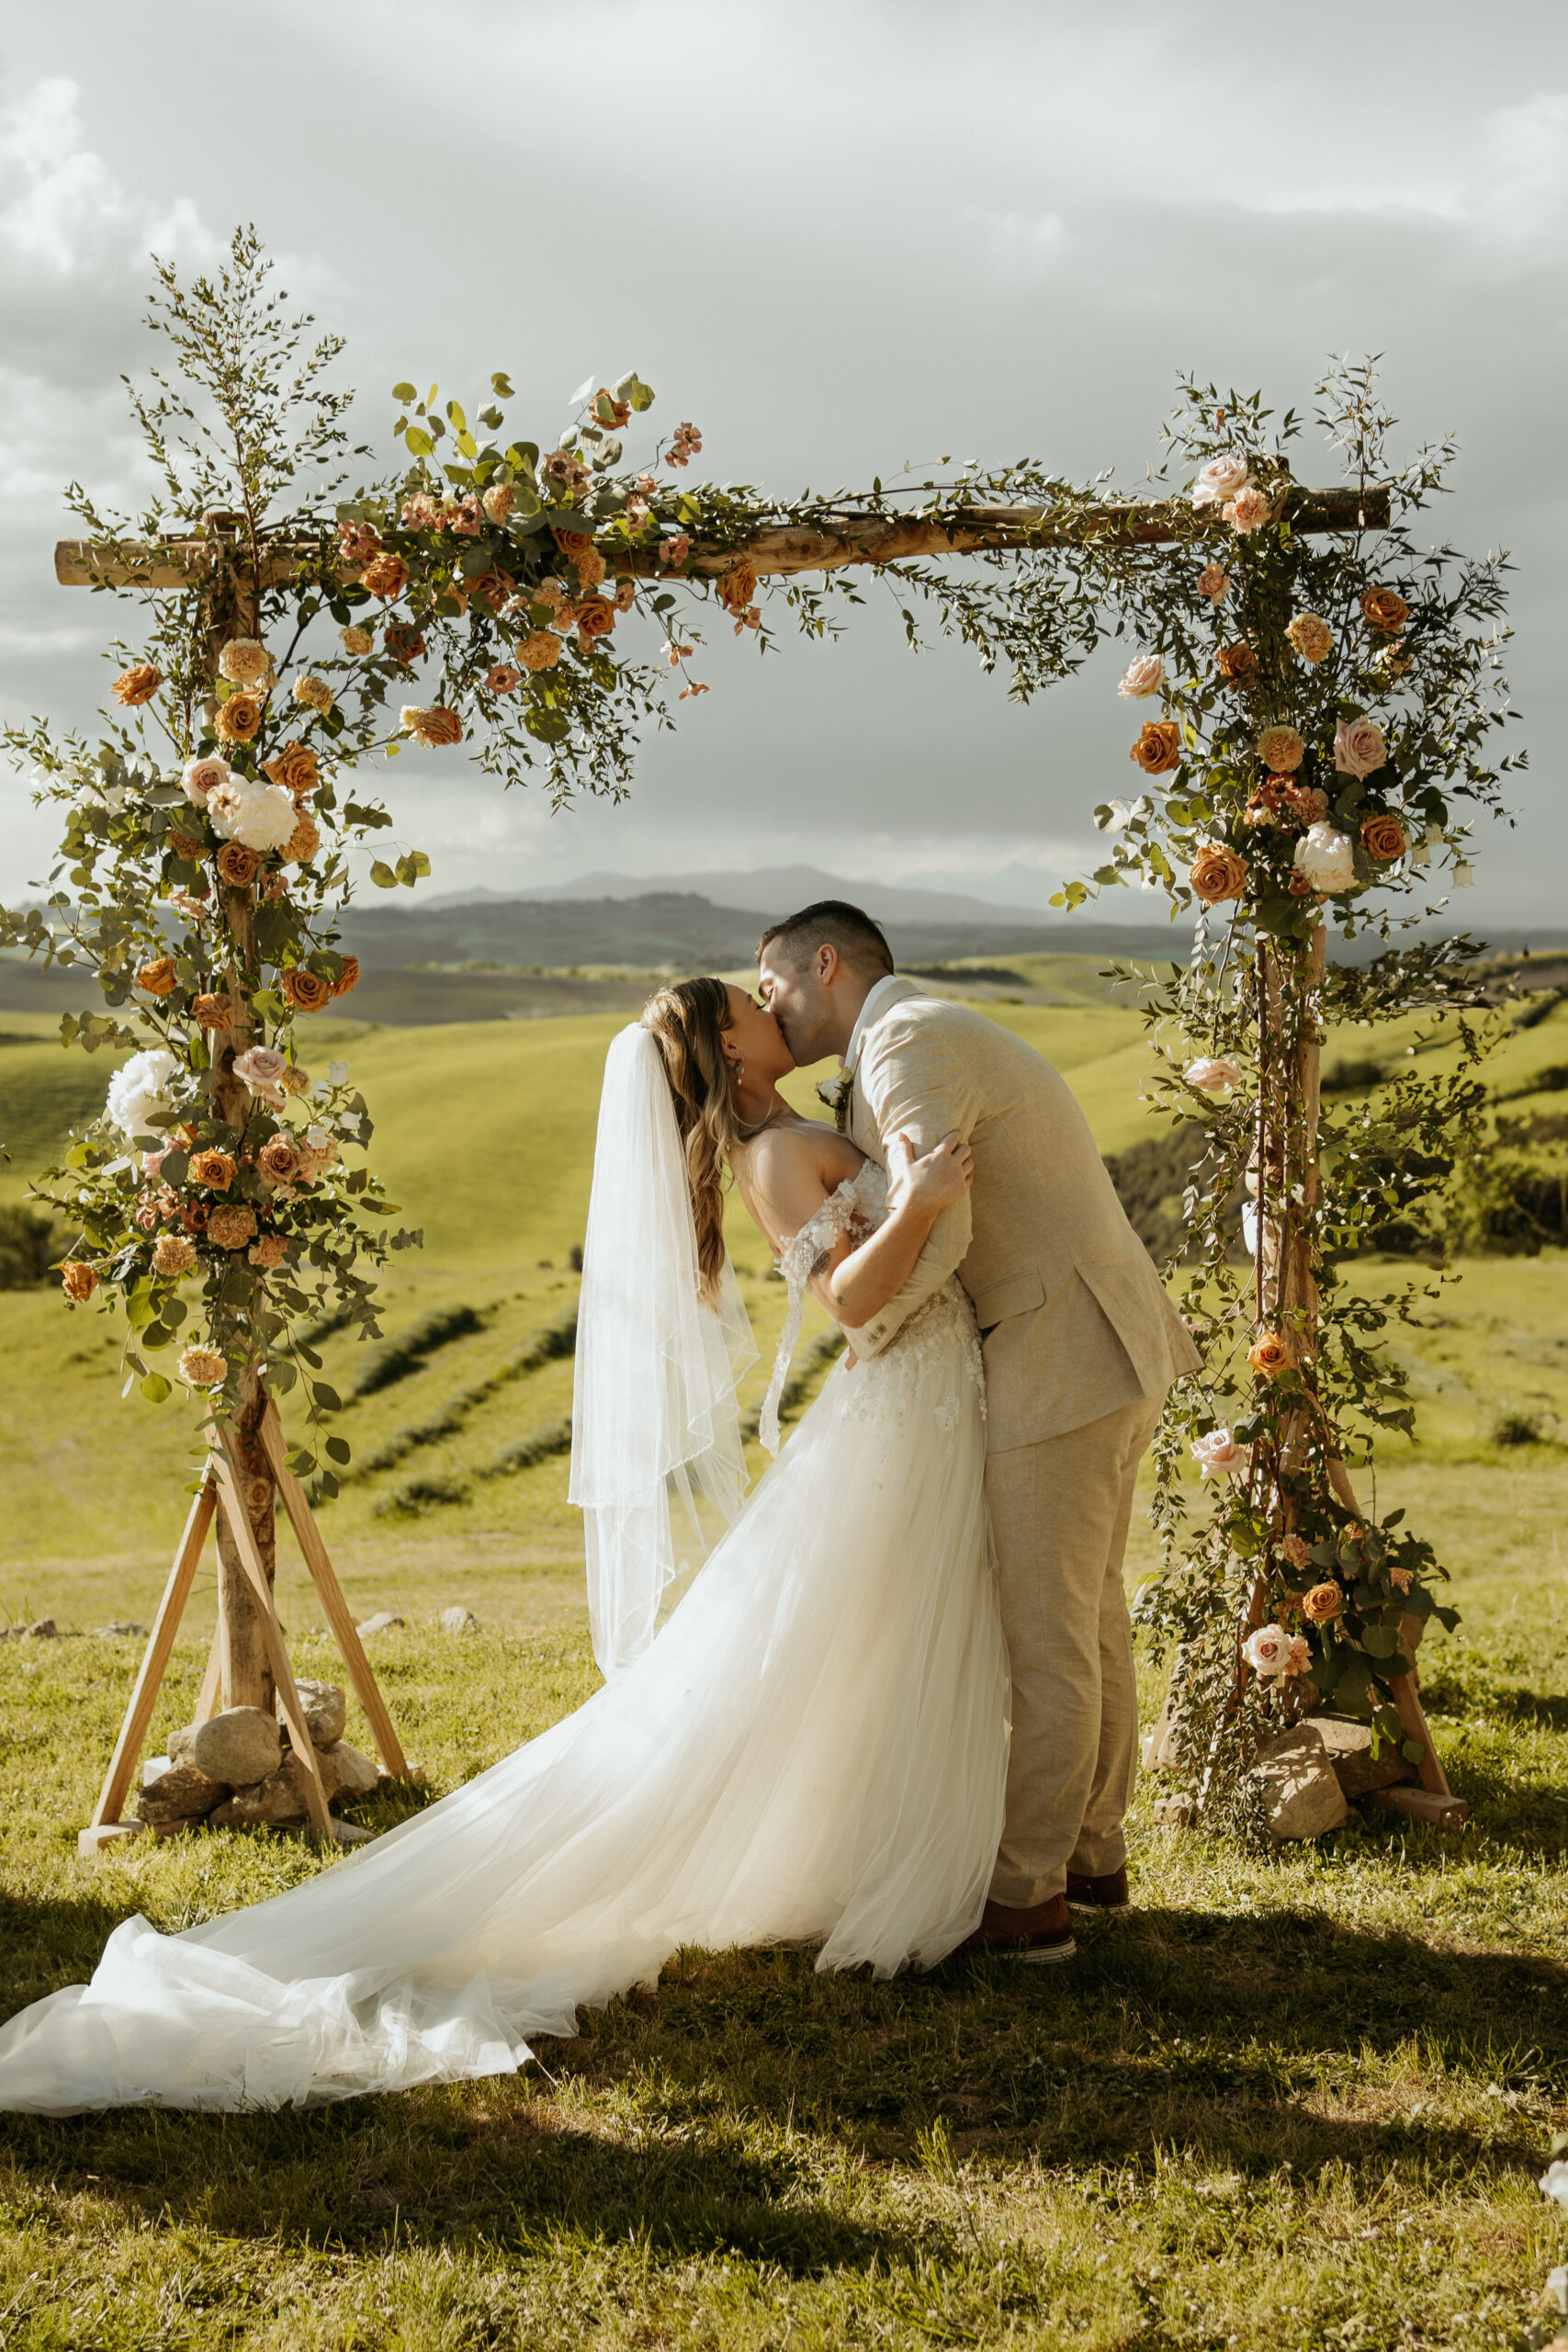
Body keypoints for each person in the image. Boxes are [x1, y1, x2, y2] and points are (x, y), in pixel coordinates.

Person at [0, 978, 1010, 2115]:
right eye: (749, 999)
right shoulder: (774, 1156)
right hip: (906, 1401)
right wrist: (921, 1200)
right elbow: (851, 1302)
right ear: (730, 1048)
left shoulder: (787, 1130)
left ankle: (869, 1847)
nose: (769, 1001)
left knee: (870, 1640)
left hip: (919, 1400)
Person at [757, 901, 1201, 1962]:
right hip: (1094, 1339)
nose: (768, 1009)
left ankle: (1026, 1898)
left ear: (826, 963)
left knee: (1049, 1633)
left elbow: (942, 1224)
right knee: (1087, 1614)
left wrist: (869, 1335)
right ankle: (1090, 1856)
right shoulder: (912, 1034)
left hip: (1061, 1345)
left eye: (772, 985)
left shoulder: (907, 1042)